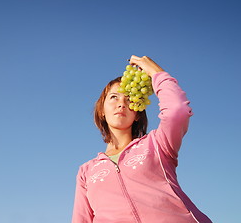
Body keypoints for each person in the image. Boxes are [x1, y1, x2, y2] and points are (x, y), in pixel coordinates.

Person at [72, 55, 212, 223]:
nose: (121, 104)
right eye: (114, 97)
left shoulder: (157, 144)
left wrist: (155, 72)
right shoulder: (86, 172)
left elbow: (177, 110)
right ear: (101, 109)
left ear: (137, 112)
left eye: (129, 99)